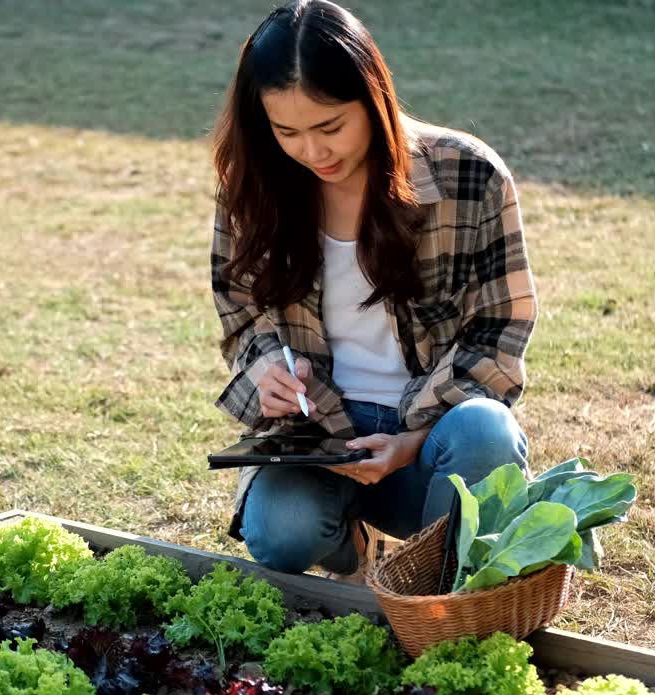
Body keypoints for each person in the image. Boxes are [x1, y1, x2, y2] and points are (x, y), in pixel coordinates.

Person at [210, 0, 537, 581]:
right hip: (321, 436)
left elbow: (499, 330)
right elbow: (240, 312)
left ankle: (435, 593)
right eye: (287, 131)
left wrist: (411, 439)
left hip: (438, 435)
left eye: (330, 126)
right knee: (279, 532)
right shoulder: (254, 185)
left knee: (488, 431)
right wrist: (266, 373)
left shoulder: (471, 175)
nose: (313, 152)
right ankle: (358, 557)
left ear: (373, 97)